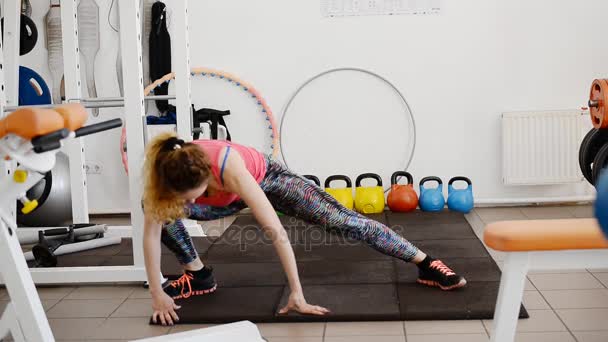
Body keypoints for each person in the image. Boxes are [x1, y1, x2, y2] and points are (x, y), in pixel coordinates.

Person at [142, 133, 467, 325]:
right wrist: (157, 291)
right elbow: (150, 236)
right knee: (155, 211)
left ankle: (426, 263)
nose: (189, 202)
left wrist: (296, 291)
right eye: (183, 197)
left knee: (343, 222)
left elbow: (276, 233)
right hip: (219, 192)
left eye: (193, 194)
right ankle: (198, 275)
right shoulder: (165, 180)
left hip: (268, 180)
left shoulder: (230, 167)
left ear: (206, 179)